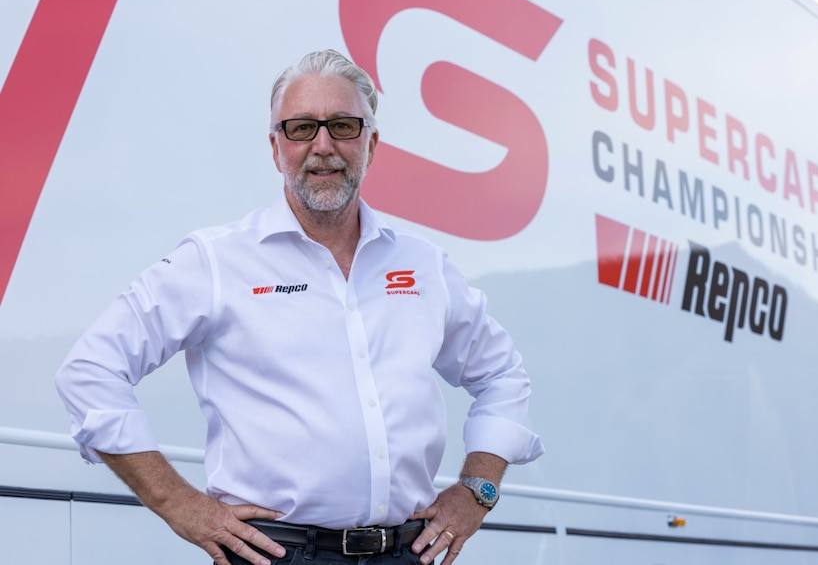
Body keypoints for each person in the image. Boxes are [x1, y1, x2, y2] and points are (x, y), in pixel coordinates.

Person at [55, 49, 544, 565]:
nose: (323, 146)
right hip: (277, 555)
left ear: (372, 144)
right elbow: (89, 371)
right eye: (302, 128)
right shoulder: (217, 261)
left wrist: (477, 490)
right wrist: (178, 505)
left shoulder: (425, 266)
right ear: (275, 146)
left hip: (409, 552)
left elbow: (502, 375)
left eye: (343, 126)